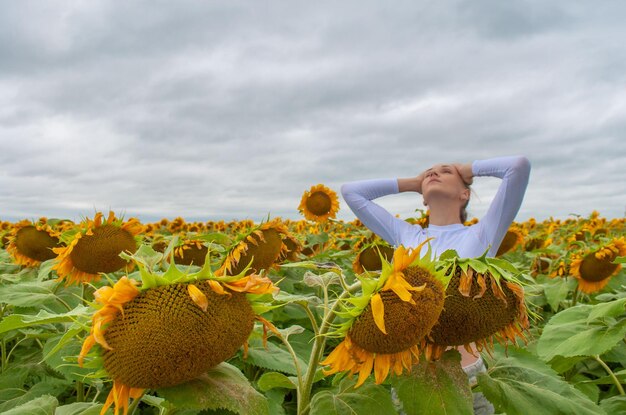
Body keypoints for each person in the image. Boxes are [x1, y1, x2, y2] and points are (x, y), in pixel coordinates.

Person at [341, 155, 531, 415]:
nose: (434, 173)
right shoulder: (407, 236)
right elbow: (351, 192)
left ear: (464, 193)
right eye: (429, 172)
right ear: (423, 197)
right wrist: (414, 183)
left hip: (468, 377)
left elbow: (518, 167)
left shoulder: (482, 233)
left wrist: (466, 170)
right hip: (413, 374)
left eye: (445, 172)